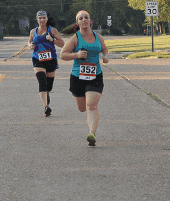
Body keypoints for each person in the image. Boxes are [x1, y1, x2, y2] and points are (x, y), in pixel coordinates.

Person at [60, 10, 109, 146]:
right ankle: (90, 126)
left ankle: (92, 133)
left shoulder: (98, 37)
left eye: (86, 17)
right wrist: (76, 55)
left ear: (90, 21)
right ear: (78, 23)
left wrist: (105, 56)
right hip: (78, 77)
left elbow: (104, 49)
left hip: (95, 75)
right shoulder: (75, 38)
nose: (84, 20)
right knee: (82, 108)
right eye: (81, 18)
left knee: (91, 105)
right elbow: (63, 55)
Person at [28, 11, 64, 117]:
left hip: (50, 59)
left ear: (47, 19)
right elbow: (29, 42)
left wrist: (52, 40)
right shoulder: (33, 31)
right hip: (37, 59)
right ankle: (46, 107)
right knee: (42, 81)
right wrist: (30, 45)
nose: (42, 20)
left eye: (44, 18)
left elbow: (62, 44)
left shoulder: (52, 30)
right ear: (37, 19)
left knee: (49, 85)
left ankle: (47, 93)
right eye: (40, 18)